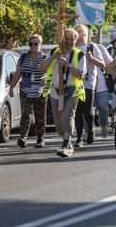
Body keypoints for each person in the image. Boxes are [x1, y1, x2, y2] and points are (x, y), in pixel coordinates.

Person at [39, 28, 86, 157]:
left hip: (72, 92)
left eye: (72, 39)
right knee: (58, 123)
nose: (69, 42)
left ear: (76, 41)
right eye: (67, 39)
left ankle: (65, 145)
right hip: (55, 91)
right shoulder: (55, 51)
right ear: (62, 39)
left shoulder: (79, 55)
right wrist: (54, 57)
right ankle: (67, 141)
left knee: (67, 117)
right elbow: (41, 68)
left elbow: (81, 75)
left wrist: (68, 65)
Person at [9, 34, 48, 148]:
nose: (33, 46)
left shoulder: (45, 58)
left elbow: (51, 72)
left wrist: (45, 80)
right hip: (25, 89)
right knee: (26, 113)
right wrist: (11, 87)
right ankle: (23, 137)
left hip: (40, 90)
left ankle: (40, 138)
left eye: (36, 43)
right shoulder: (24, 58)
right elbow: (17, 73)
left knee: (40, 114)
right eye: (31, 44)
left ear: (40, 45)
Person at [73, 24, 105, 147]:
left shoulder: (91, 47)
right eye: (76, 31)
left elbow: (102, 65)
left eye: (80, 31)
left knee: (87, 110)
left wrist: (91, 59)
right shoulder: (72, 47)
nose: (78, 33)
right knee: (78, 110)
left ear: (86, 34)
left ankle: (90, 129)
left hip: (88, 82)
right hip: (75, 82)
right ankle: (79, 137)